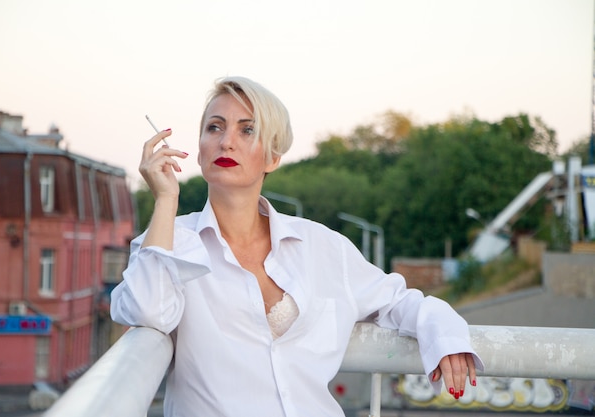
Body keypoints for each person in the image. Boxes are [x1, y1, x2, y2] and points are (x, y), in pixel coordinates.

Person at [110, 76, 484, 417]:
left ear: (273, 156)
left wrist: (447, 338)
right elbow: (148, 312)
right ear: (199, 146)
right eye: (215, 127)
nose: (226, 141)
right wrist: (164, 200)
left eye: (247, 130)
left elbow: (400, 301)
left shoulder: (321, 246)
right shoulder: (167, 241)